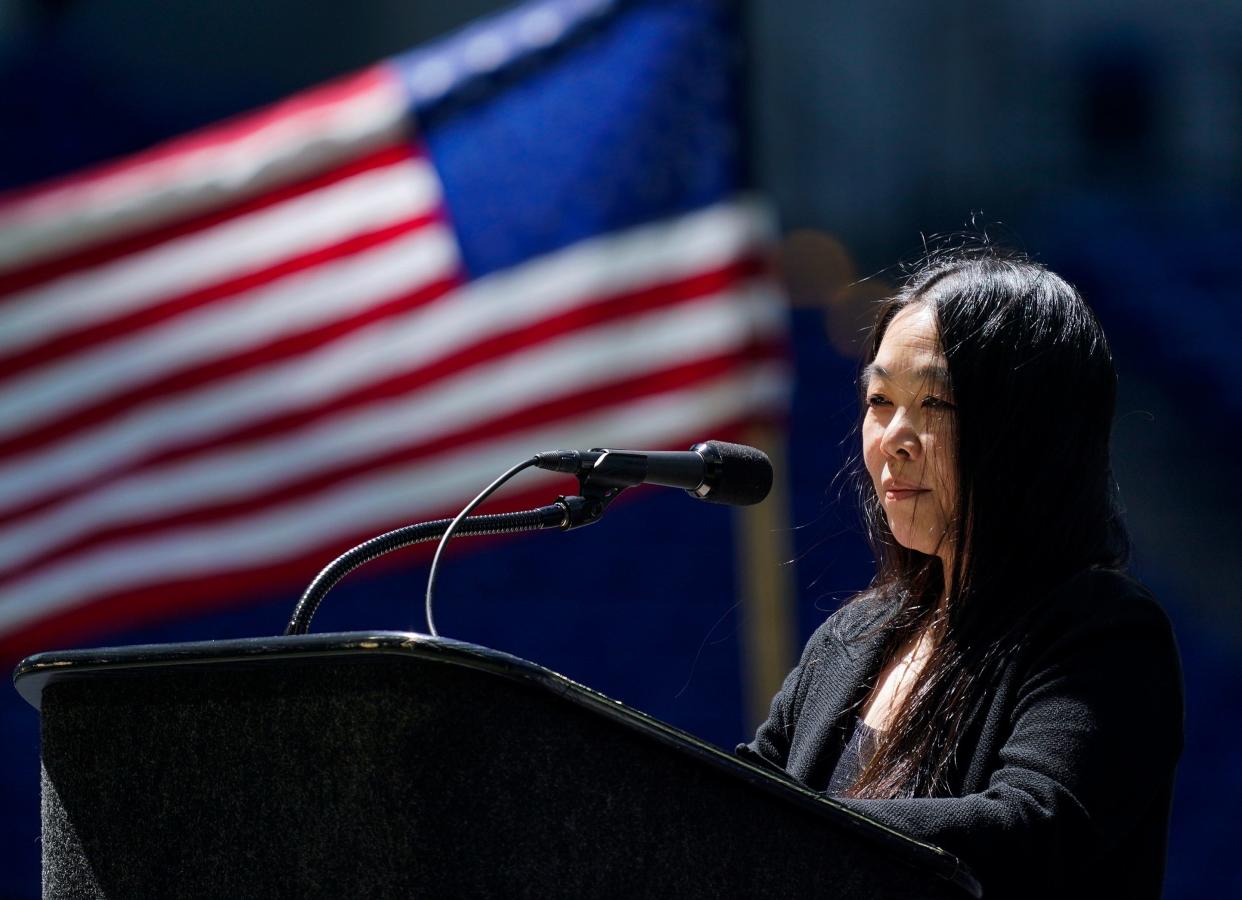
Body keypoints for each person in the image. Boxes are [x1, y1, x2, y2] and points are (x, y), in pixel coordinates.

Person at [740, 245, 1184, 898]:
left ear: (1032, 429)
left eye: (937, 406)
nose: (894, 436)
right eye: (879, 399)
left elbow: (1029, 827)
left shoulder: (1105, 634)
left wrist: (788, 831)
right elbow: (731, 810)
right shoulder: (850, 637)